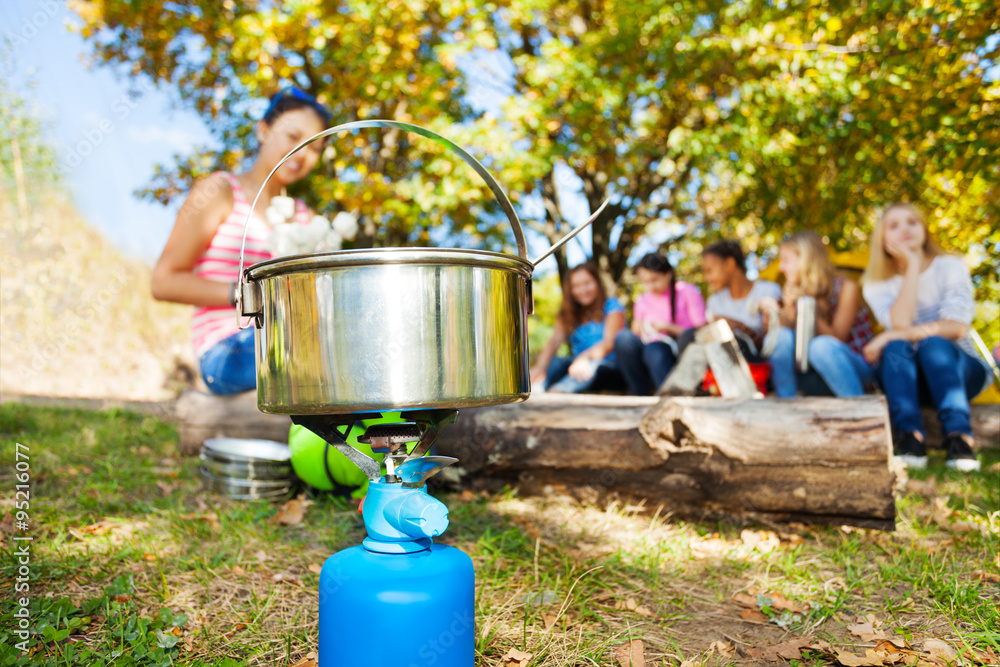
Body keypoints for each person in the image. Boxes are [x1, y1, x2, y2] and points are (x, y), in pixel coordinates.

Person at [151, 86, 331, 395]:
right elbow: (163, 282)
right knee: (321, 361)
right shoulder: (221, 192)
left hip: (295, 345)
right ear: (263, 130)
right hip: (228, 347)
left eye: (314, 148)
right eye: (293, 137)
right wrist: (247, 296)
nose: (302, 154)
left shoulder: (308, 220)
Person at [861, 202, 990, 471]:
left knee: (931, 344)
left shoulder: (950, 266)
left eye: (912, 222)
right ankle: (910, 437)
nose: (905, 229)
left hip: (960, 371)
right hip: (907, 380)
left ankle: (959, 436)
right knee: (897, 346)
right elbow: (900, 323)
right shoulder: (875, 283)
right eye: (894, 226)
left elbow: (956, 328)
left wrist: (885, 337)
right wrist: (912, 268)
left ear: (924, 229)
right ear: (882, 240)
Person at [659, 240, 781, 394]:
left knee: (727, 339)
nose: (707, 278)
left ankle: (679, 390)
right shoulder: (715, 301)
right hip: (720, 363)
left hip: (753, 362)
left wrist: (737, 326)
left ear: (729, 264)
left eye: (710, 270)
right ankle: (693, 390)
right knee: (690, 336)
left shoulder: (768, 291)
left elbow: (772, 344)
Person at [766, 232, 875, 397]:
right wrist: (784, 311)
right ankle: (787, 403)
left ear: (806, 261)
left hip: (851, 369)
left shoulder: (845, 287)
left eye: (786, 261)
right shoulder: (792, 291)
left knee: (820, 347)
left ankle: (858, 408)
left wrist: (807, 309)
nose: (781, 268)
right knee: (781, 337)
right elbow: (785, 345)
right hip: (812, 374)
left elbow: (836, 340)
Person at [614, 252, 706, 395]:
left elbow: (699, 331)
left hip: (673, 352)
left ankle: (671, 397)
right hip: (646, 350)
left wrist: (666, 327)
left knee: (655, 350)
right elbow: (635, 331)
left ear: (668, 275)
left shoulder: (687, 291)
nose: (650, 286)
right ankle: (638, 393)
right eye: (645, 281)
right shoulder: (642, 299)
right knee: (623, 338)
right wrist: (640, 327)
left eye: (655, 279)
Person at [529, 262, 626, 393]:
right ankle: (535, 388)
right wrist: (540, 367)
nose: (583, 290)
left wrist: (583, 358)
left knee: (593, 365)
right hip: (578, 365)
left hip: (608, 365)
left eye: (587, 283)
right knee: (556, 362)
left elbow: (609, 343)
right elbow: (554, 341)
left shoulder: (612, 306)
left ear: (597, 283)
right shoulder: (568, 313)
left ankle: (558, 392)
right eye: (576, 286)